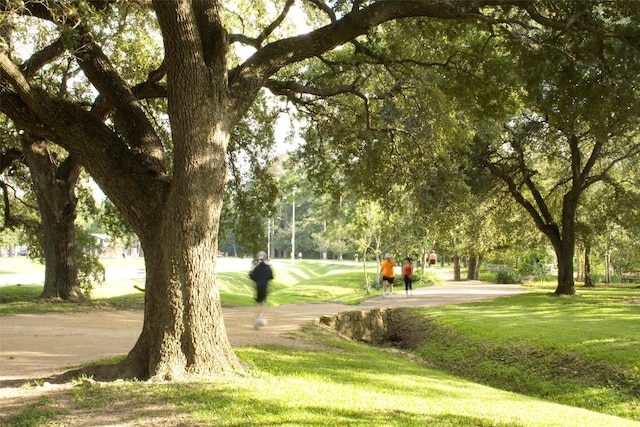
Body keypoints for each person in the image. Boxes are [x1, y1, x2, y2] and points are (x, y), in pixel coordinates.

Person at [249, 251, 273, 329]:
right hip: (264, 286)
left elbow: (252, 276)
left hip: (258, 286)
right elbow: (271, 276)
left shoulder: (257, 267)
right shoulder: (268, 267)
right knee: (262, 303)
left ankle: (260, 318)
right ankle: (258, 319)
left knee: (260, 303)